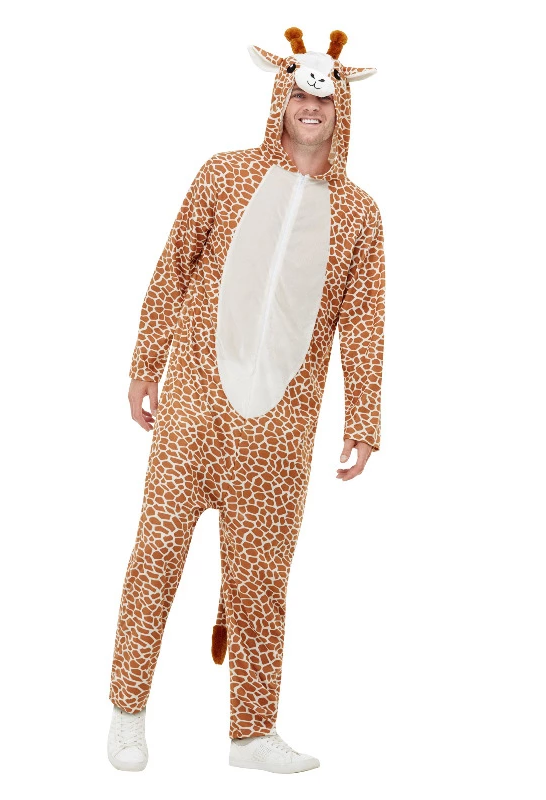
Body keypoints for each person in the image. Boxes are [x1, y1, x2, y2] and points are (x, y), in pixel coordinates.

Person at [107, 26, 385, 775]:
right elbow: (173, 267)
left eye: (323, 98)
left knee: (261, 582)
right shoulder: (224, 175)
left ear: (342, 108)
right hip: (194, 410)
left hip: (279, 432)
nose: (309, 107)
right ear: (280, 98)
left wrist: (362, 419)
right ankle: (127, 714)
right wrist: (146, 362)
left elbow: (364, 321)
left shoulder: (359, 214)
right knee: (155, 556)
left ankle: (252, 735)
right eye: (298, 93)